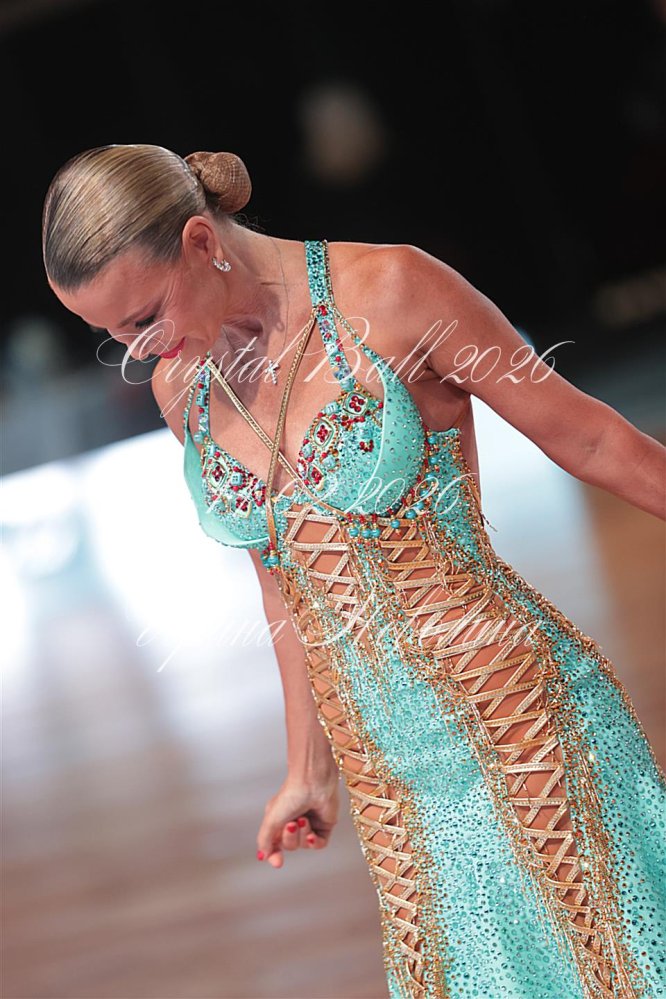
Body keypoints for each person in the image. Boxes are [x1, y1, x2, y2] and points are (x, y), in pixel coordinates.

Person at [42, 144, 666, 999]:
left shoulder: (394, 291)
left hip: (521, 722)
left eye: (145, 316)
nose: (138, 350)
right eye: (111, 333)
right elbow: (283, 582)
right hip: (392, 786)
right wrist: (308, 766)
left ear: (200, 241)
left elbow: (591, 438)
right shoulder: (183, 389)